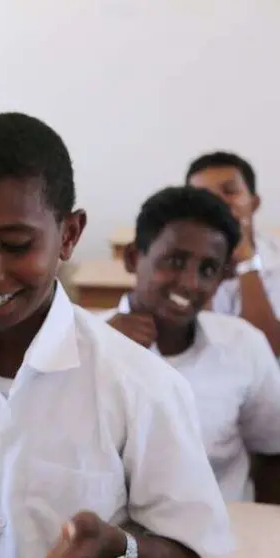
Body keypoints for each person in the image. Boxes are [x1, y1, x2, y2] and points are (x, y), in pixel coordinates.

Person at [0, 113, 234, 557]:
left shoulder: (140, 385)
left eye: (16, 245)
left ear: (69, 235)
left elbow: (198, 549)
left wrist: (123, 547)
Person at [101, 186, 280, 502]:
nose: (190, 283)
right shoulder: (83, 342)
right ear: (132, 258)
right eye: (174, 261)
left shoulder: (244, 346)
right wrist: (97, 354)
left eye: (208, 269)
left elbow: (272, 455)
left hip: (223, 536)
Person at [186, 151, 280, 356]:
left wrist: (246, 261)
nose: (218, 203)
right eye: (204, 196)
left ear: (254, 203)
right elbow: (197, 346)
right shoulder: (178, 261)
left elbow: (271, 349)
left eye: (229, 191)